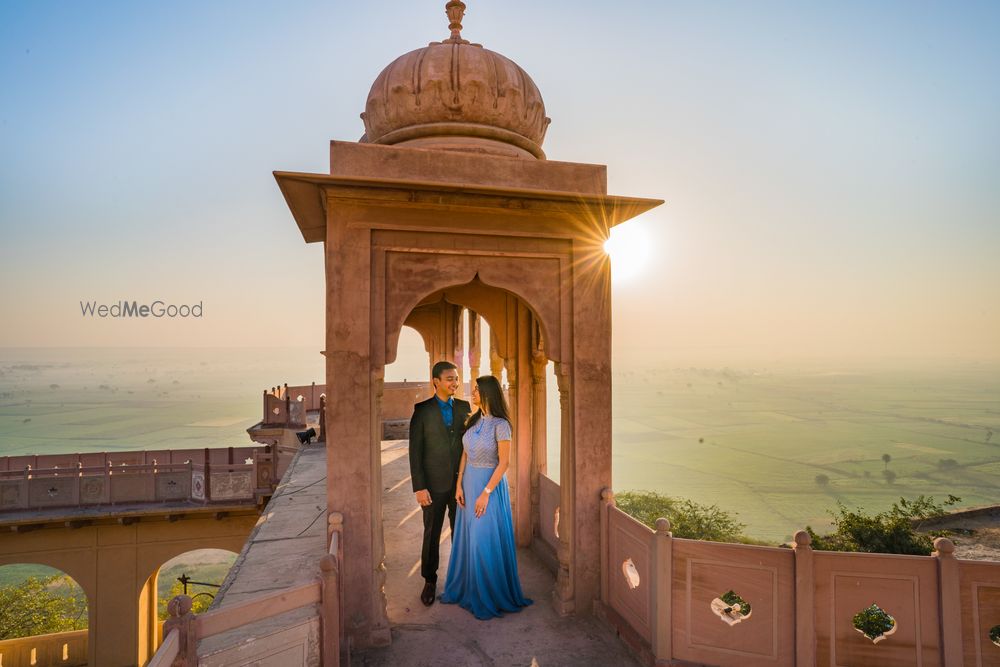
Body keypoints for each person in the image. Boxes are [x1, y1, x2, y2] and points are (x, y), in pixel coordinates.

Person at [440, 375, 533, 619]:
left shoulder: (501, 425)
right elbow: (465, 454)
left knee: (483, 540)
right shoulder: (474, 419)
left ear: (489, 393)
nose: (473, 394)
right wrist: (458, 485)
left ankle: (488, 595)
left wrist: (486, 494)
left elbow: (504, 464)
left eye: (478, 391)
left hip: (489, 487)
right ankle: (468, 590)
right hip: (469, 484)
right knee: (468, 539)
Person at [409, 360, 471, 607]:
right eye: (449, 379)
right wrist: (419, 487)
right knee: (431, 534)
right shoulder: (422, 411)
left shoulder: (465, 408)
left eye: (456, 378)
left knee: (461, 534)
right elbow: (416, 452)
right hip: (432, 487)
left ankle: (461, 579)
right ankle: (430, 580)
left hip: (460, 486)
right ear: (435, 381)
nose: (454, 383)